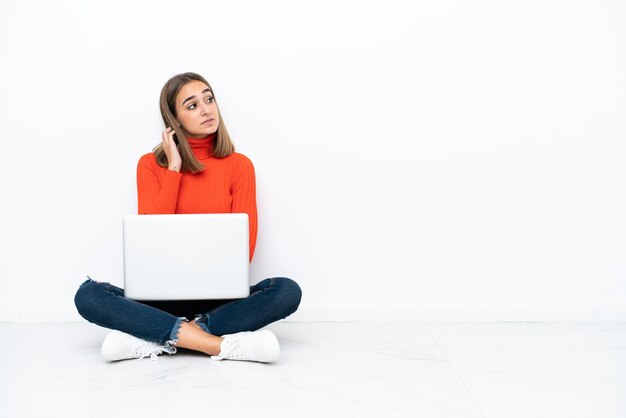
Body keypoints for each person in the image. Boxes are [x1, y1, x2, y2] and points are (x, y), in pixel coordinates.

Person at [74, 72, 302, 363]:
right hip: (159, 300)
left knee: (286, 291)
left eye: (209, 99)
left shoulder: (239, 166)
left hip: (221, 300)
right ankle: (216, 344)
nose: (207, 109)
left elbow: (243, 250)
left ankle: (156, 337)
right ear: (175, 120)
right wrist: (174, 170)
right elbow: (150, 241)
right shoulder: (150, 165)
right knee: (89, 295)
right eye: (192, 105)